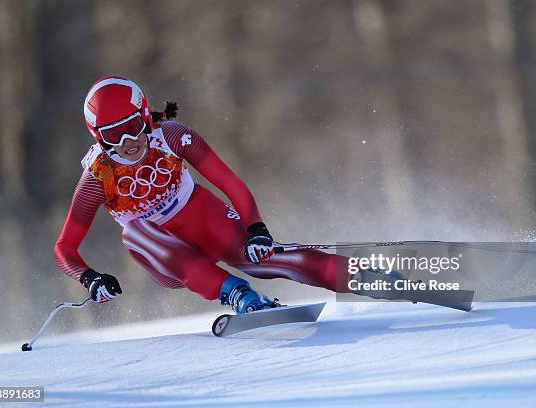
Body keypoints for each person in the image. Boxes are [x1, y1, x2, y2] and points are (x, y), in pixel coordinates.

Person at [54, 76, 354, 314]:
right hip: (164, 255)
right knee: (134, 231)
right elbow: (65, 247)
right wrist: (89, 278)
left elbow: (228, 180)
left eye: (132, 127)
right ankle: (236, 293)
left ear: (145, 115)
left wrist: (257, 229)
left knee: (266, 260)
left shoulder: (171, 136)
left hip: (203, 218)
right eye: (113, 135)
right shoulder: (98, 175)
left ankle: (371, 276)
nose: (128, 141)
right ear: (98, 137)